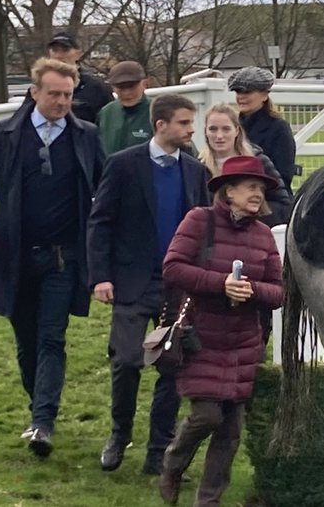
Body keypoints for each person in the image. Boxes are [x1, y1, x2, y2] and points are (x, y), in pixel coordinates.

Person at [0, 58, 104, 457]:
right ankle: (37, 408)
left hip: (63, 257)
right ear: (34, 92)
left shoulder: (86, 136)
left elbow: (105, 188)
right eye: (54, 94)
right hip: (15, 257)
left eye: (68, 95)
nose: (61, 102)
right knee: (26, 342)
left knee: (51, 338)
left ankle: (43, 422)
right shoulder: (5, 136)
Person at [87, 94, 211, 475]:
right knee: (126, 361)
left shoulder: (193, 171)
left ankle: (159, 449)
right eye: (184, 123)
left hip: (178, 284)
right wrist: (101, 276)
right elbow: (100, 221)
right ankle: (119, 435)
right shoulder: (124, 165)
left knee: (171, 366)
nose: (191, 130)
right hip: (131, 280)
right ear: (161, 125)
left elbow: (205, 226)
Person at [158, 155, 285, 506]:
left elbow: (278, 291)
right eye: (250, 187)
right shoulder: (199, 221)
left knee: (230, 432)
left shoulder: (263, 235)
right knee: (207, 415)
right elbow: (172, 269)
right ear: (229, 191)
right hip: (202, 336)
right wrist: (221, 284)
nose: (257, 194)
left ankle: (208, 501)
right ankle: (173, 462)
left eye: (261, 188)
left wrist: (251, 290)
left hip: (244, 342)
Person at [198, 103, 292, 227]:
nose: (219, 136)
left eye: (226, 129)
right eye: (213, 129)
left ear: (237, 130)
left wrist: (246, 218)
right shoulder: (197, 167)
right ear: (205, 132)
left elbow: (283, 206)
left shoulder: (259, 162)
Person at [227, 66, 297, 195]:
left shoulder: (279, 128)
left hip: (269, 200)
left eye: (247, 92)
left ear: (264, 95)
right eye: (238, 92)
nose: (241, 97)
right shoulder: (232, 126)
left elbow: (283, 175)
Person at [45, 31, 113, 124]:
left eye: (65, 50)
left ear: (78, 54)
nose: (59, 55)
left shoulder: (95, 87)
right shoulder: (40, 86)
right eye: (55, 50)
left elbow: (110, 123)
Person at [96, 60, 153, 154]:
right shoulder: (106, 113)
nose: (127, 93)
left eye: (132, 87)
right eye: (121, 87)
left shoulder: (157, 111)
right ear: (113, 87)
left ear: (144, 84)